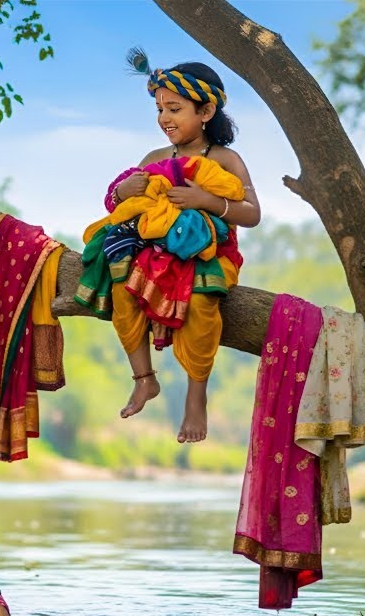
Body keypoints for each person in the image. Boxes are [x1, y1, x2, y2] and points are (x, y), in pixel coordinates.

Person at [104, 55, 261, 443]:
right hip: (153, 251)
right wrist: (123, 191)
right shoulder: (155, 158)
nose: (164, 118)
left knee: (202, 302)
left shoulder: (225, 158)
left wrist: (205, 200)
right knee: (122, 287)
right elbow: (115, 203)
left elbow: (252, 214)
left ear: (206, 110)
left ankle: (196, 398)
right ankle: (144, 378)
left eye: (174, 108)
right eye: (160, 109)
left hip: (209, 253)